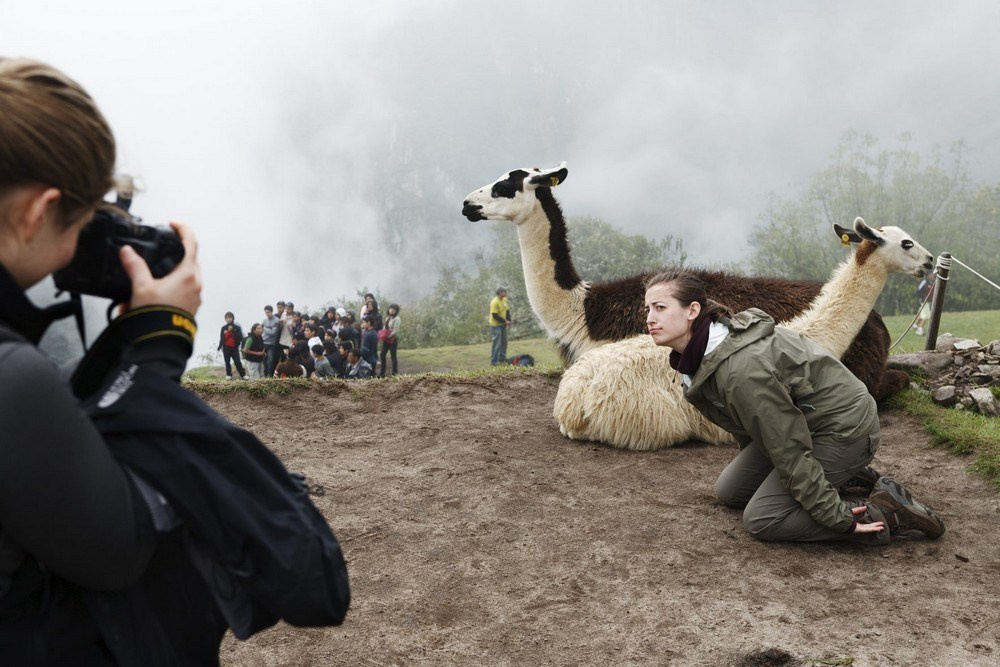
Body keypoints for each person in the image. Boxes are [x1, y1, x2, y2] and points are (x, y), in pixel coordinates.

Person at [0, 57, 348, 664]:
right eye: (83, 220)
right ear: (36, 211)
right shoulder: (10, 379)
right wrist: (157, 350)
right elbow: (120, 549)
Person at [644, 270, 945, 546]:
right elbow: (752, 424)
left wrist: (839, 520)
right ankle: (845, 475)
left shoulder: (741, 370)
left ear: (692, 310)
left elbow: (788, 448)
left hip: (843, 428)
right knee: (731, 492)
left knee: (763, 518)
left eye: (660, 307)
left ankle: (887, 512)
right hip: (807, 423)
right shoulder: (700, 361)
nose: (649, 318)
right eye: (647, 309)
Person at [217, 311, 246, 380]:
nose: (229, 319)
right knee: (227, 361)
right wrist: (219, 346)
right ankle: (228, 374)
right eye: (227, 318)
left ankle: (243, 375)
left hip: (234, 348)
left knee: (237, 361)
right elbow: (222, 338)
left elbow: (240, 337)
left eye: (230, 317)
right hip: (226, 347)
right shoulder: (223, 328)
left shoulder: (237, 327)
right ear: (225, 319)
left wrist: (232, 331)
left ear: (233, 318)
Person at [489, 286, 511, 365]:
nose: (505, 293)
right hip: (495, 326)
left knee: (504, 342)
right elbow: (495, 315)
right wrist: (505, 321)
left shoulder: (504, 300)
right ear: (500, 293)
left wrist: (509, 320)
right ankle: (494, 361)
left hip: (503, 325)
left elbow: (507, 310)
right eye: (504, 291)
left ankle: (502, 359)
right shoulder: (494, 302)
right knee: (497, 344)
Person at [379, 303, 401, 377]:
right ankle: (382, 373)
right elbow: (384, 327)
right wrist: (382, 334)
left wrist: (389, 336)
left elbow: (396, 330)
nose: (391, 310)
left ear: (396, 311)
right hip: (386, 339)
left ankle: (394, 372)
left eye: (393, 309)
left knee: (393, 356)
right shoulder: (388, 317)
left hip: (393, 340)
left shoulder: (397, 319)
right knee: (382, 354)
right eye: (390, 309)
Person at [261, 304, 281, 377]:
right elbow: (261, 331)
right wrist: (267, 329)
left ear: (272, 312)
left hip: (272, 344)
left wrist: (265, 328)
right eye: (266, 312)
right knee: (264, 361)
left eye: (268, 312)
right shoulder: (264, 320)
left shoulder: (277, 321)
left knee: (271, 360)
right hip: (264, 343)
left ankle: (270, 375)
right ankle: (265, 375)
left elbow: (273, 333)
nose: (267, 314)